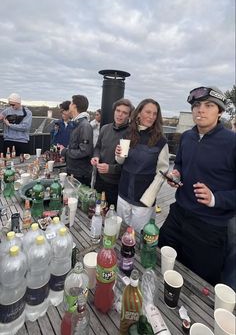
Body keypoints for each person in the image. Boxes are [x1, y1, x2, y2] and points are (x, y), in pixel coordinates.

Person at [158, 86, 236, 286]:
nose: (200, 110)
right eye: (196, 105)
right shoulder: (187, 137)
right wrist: (176, 174)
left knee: (198, 283)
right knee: (161, 262)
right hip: (178, 214)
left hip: (209, 227)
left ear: (220, 111)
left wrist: (215, 199)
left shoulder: (232, 142)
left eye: (209, 105)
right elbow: (181, 164)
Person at [115, 98, 169, 232]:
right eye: (148, 112)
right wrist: (118, 154)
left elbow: (162, 172)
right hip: (123, 194)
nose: (151, 117)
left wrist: (148, 198)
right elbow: (121, 161)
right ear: (139, 113)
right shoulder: (128, 133)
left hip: (143, 200)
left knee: (137, 236)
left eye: (154, 114)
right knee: (121, 232)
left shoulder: (161, 141)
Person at [91, 98, 133, 208]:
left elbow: (130, 165)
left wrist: (110, 168)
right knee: (97, 209)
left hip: (117, 184)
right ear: (114, 111)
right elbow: (98, 147)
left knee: (110, 215)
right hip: (99, 179)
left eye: (124, 113)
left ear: (129, 116)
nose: (120, 115)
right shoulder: (105, 128)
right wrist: (96, 157)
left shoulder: (131, 134)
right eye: (118, 111)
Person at [60, 95, 93, 186]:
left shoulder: (85, 126)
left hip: (80, 174)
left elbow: (84, 151)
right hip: (74, 171)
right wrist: (66, 156)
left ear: (74, 106)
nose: (69, 105)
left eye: (71, 103)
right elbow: (75, 146)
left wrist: (65, 152)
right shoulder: (77, 123)